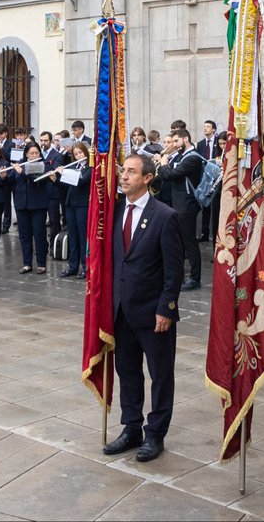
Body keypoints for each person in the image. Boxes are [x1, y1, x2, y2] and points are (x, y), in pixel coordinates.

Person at [102, 154, 183, 463]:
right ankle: (131, 427)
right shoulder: (115, 211)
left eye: (132, 172)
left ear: (148, 178)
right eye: (123, 171)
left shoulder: (165, 216)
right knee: (127, 371)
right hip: (122, 309)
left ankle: (155, 433)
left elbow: (174, 270)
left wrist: (166, 307)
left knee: (160, 375)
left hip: (153, 312)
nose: (124, 177)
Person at [156, 128, 205, 291]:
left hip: (187, 206)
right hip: (179, 204)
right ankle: (179, 275)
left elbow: (170, 175)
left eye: (176, 141)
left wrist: (163, 164)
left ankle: (195, 278)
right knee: (180, 242)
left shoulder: (192, 158)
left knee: (189, 242)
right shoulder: (183, 155)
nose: (175, 145)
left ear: (186, 139)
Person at [5, 141, 52, 274]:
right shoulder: (20, 164)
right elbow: (11, 180)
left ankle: (41, 263)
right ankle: (27, 263)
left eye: (36, 153)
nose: (34, 155)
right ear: (26, 154)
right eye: (31, 153)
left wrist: (23, 172)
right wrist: (4, 176)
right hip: (22, 204)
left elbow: (37, 178)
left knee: (39, 234)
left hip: (38, 205)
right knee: (24, 235)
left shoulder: (44, 165)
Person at [61, 142, 92, 278]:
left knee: (82, 236)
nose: (79, 156)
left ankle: (86, 267)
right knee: (72, 236)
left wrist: (65, 174)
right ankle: (73, 266)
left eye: (81, 153)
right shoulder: (73, 166)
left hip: (82, 205)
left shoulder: (90, 168)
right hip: (70, 204)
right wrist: (56, 177)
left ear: (86, 152)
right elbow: (65, 185)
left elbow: (82, 181)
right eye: (76, 154)